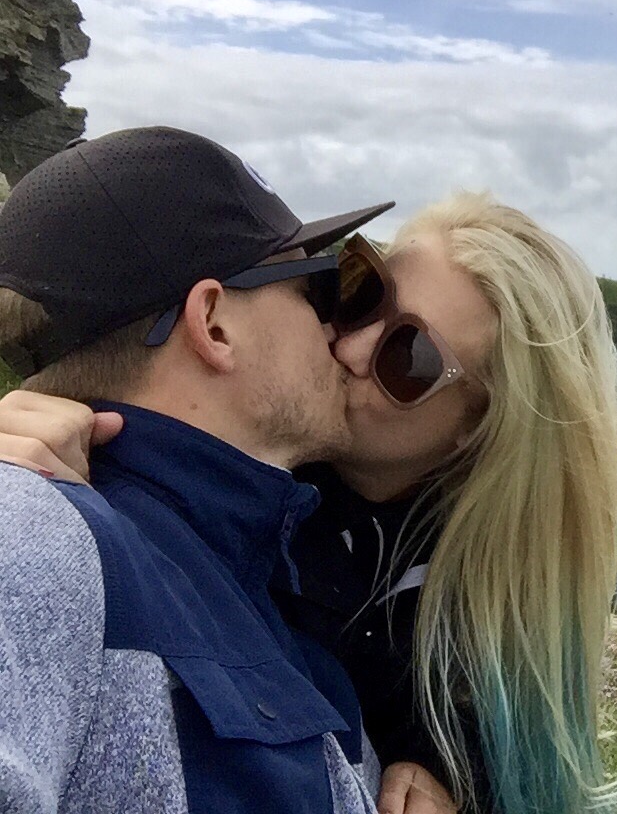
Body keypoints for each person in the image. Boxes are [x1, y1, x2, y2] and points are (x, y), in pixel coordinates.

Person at [0, 192, 617, 813]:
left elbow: (517, 745)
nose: (348, 347)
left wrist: (449, 765)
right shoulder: (232, 477)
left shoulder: (484, 587)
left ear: (481, 427)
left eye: (409, 357)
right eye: (360, 293)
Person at [0, 127, 395, 812]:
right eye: (318, 291)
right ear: (214, 324)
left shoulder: (275, 584)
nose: (340, 334)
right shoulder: (36, 533)